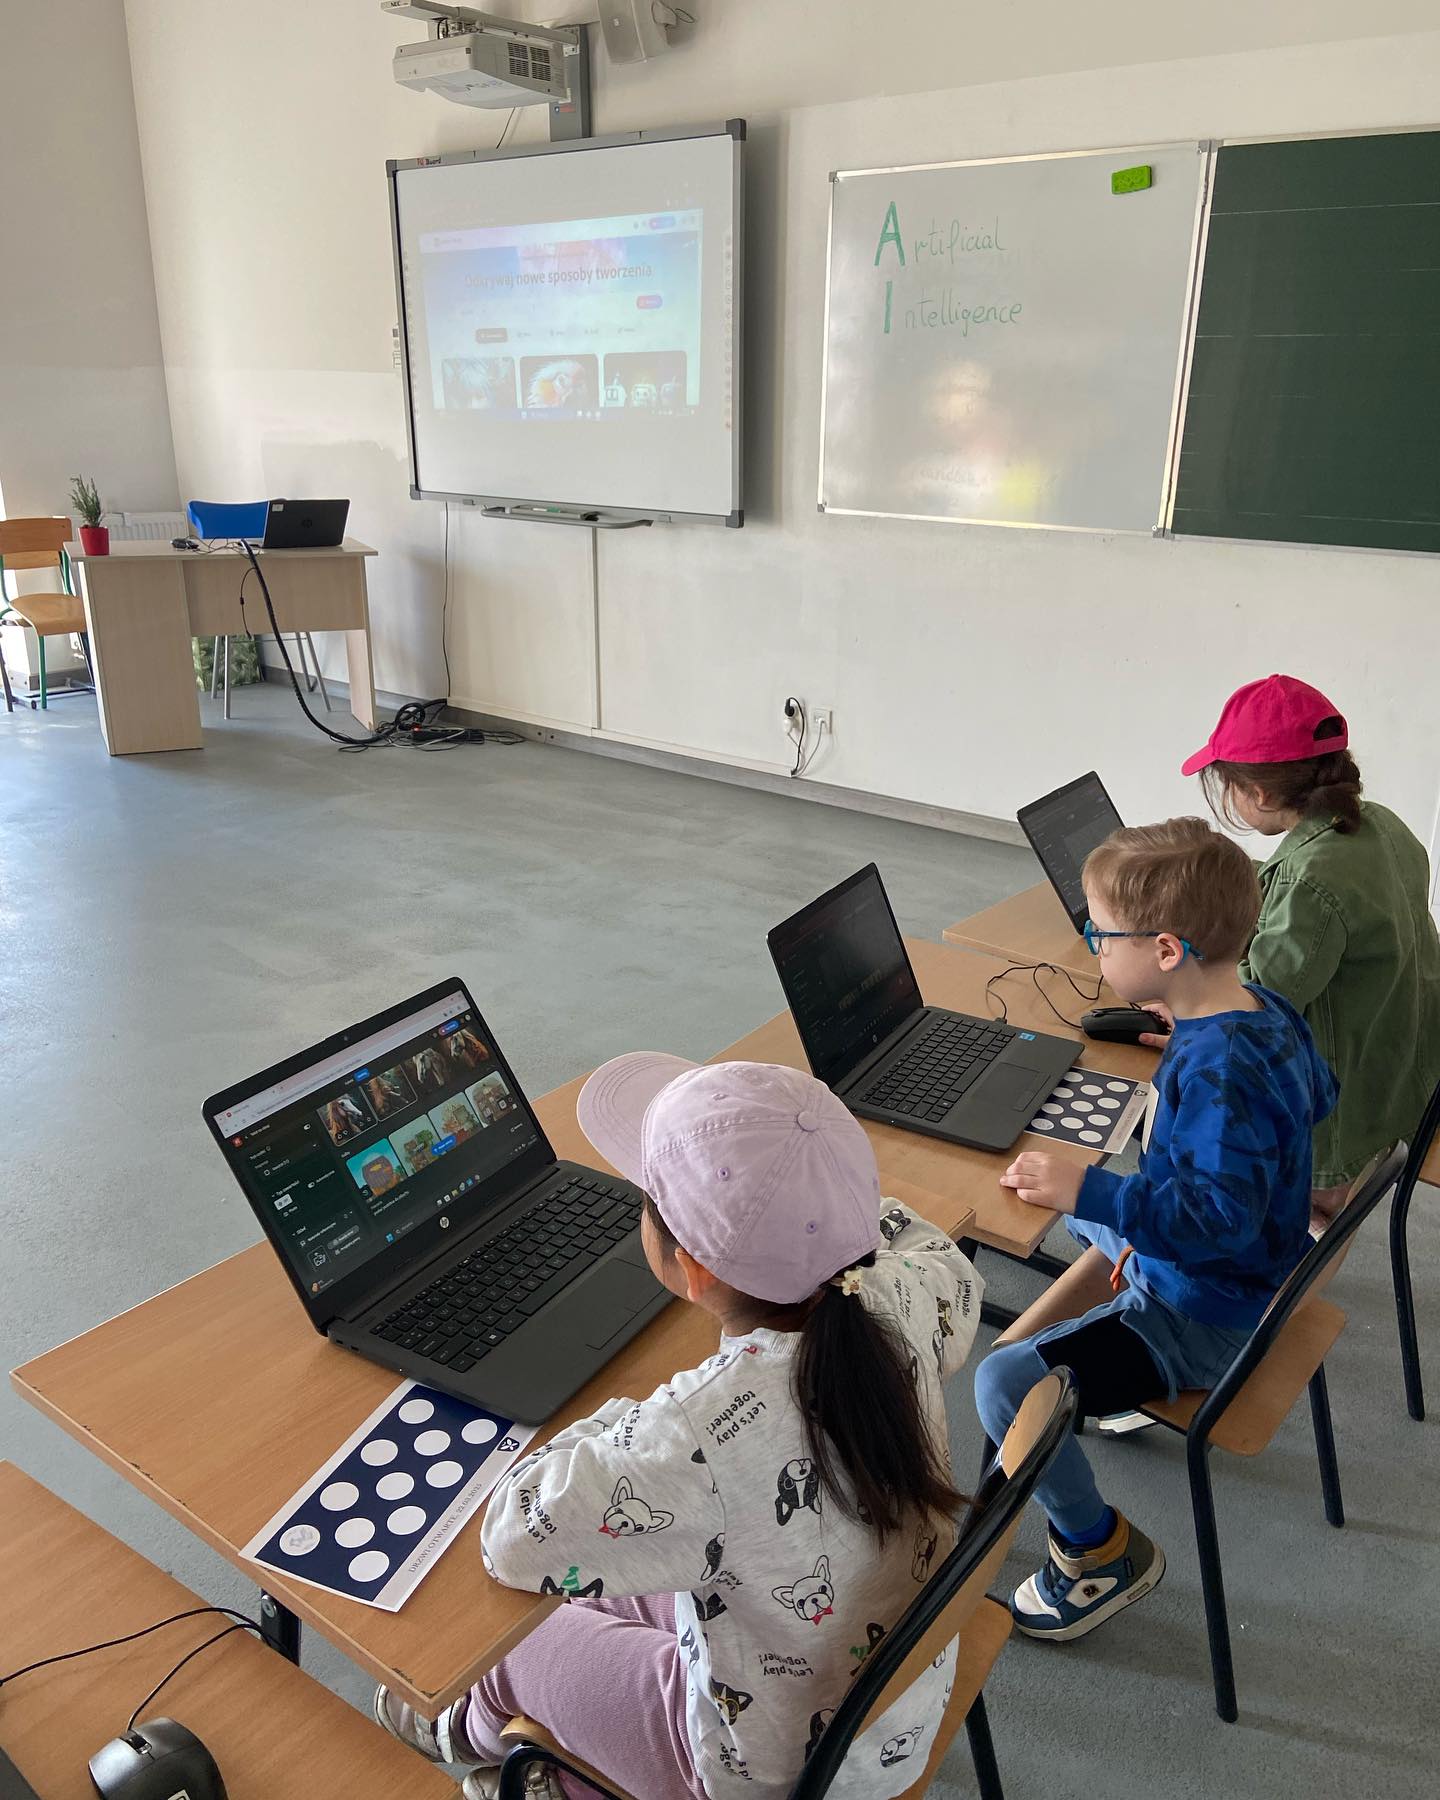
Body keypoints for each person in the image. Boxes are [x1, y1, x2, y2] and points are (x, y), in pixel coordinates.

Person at [376, 1057, 983, 1800]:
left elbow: (513, 1535)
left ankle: (478, 1740)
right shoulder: (897, 1294)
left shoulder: (696, 1435)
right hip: (888, 1709)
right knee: (600, 1578)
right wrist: (819, 1207)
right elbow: (936, 1252)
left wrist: (624, 1418)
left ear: (692, 1272)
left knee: (513, 1645)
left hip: (772, 1774)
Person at [973, 818, 1336, 1642]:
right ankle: (1115, 1365)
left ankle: (1097, 1552)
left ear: (1167, 950)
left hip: (1208, 1313)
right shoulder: (1262, 1010)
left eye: (1100, 935)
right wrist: (1192, 1053)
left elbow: (1217, 1221)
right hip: (1250, 1267)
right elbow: (1320, 1094)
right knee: (1083, 1213)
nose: (1095, 950)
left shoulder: (1218, 1068)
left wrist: (1099, 1186)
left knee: (1002, 1383)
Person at [1150, 673, 1440, 1223]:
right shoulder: (1380, 825)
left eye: (1229, 786)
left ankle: (1305, 1222)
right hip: (1406, 1065)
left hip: (1346, 1102)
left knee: (1189, 1100)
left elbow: (1258, 999)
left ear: (1259, 794)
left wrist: (1179, 1002)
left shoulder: (1310, 881)